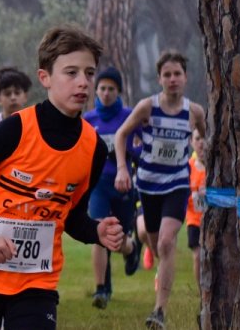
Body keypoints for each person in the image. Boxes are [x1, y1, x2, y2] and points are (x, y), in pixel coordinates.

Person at [0, 26, 125, 330]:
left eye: (89, 73)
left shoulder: (93, 149)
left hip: (37, 281)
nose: (83, 82)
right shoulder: (13, 130)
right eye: (71, 72)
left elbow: (73, 218)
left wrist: (96, 232)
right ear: (45, 78)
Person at [113, 51, 207, 330]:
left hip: (177, 184)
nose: (172, 79)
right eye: (167, 74)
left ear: (185, 77)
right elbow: (121, 135)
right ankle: (158, 267)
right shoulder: (146, 107)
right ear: (159, 79)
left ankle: (159, 312)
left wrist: (208, 160)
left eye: (177, 73)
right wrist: (121, 168)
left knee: (167, 242)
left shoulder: (195, 111)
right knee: (156, 244)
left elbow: (205, 136)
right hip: (148, 185)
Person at [81, 66, 141, 309]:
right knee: (99, 234)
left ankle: (131, 248)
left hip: (124, 183)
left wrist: (126, 152)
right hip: (98, 185)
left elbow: (140, 150)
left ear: (119, 92)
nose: (106, 93)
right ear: (96, 91)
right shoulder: (88, 120)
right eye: (102, 89)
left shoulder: (130, 117)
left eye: (111, 89)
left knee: (118, 239)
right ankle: (101, 289)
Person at [186, 129, 207, 292]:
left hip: (214, 219)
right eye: (197, 138)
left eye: (204, 138)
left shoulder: (217, 166)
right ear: (191, 142)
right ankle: (202, 295)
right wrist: (194, 194)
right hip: (194, 219)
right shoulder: (188, 167)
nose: (201, 142)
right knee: (198, 256)